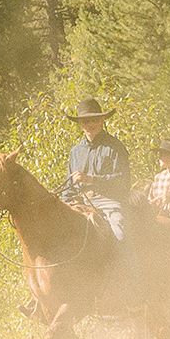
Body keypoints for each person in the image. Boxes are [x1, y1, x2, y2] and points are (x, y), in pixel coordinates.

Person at [63, 95, 131, 238]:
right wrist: (68, 201)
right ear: (81, 124)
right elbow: (68, 186)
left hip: (108, 202)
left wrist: (91, 179)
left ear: (102, 121)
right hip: (79, 202)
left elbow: (123, 181)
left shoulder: (115, 147)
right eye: (86, 121)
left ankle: (128, 261)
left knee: (120, 231)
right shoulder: (75, 151)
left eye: (94, 120)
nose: (90, 124)